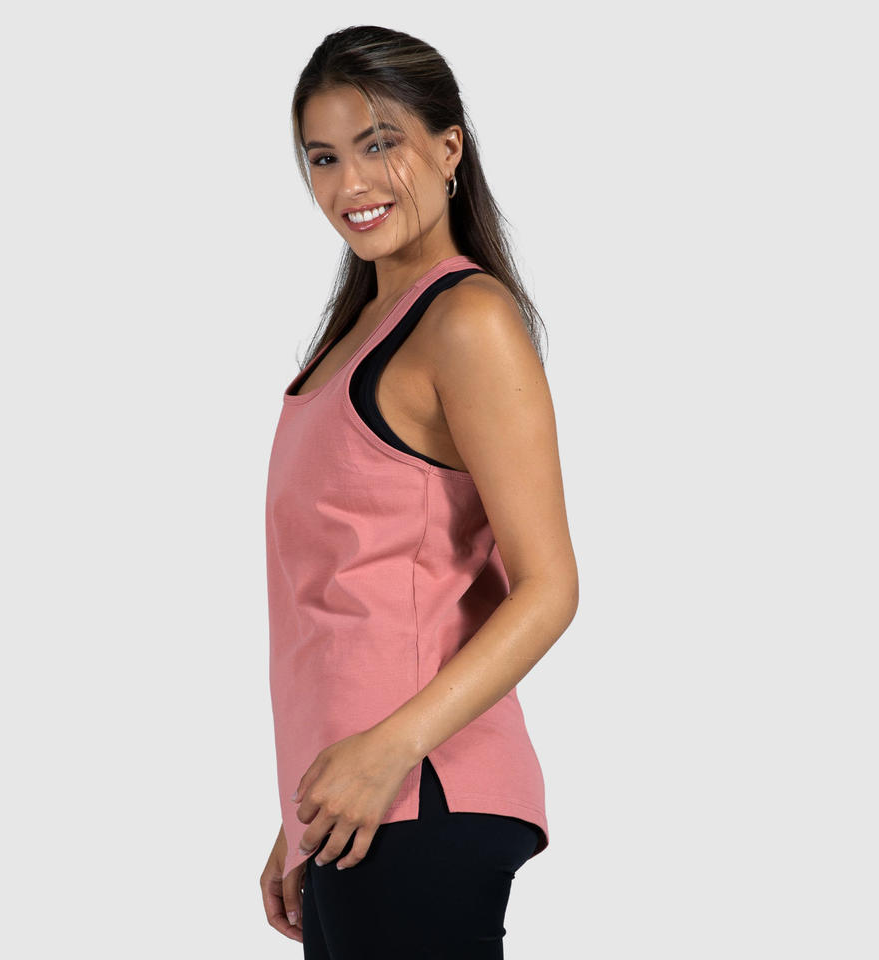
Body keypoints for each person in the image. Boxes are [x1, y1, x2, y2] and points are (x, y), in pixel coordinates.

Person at [259, 25, 578, 959]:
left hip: (424, 793)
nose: (350, 182)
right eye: (324, 157)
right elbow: (346, 604)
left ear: (448, 148)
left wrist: (387, 752)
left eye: (379, 143)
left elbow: (550, 587)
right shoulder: (359, 330)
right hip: (359, 806)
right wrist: (304, 806)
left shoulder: (466, 319)